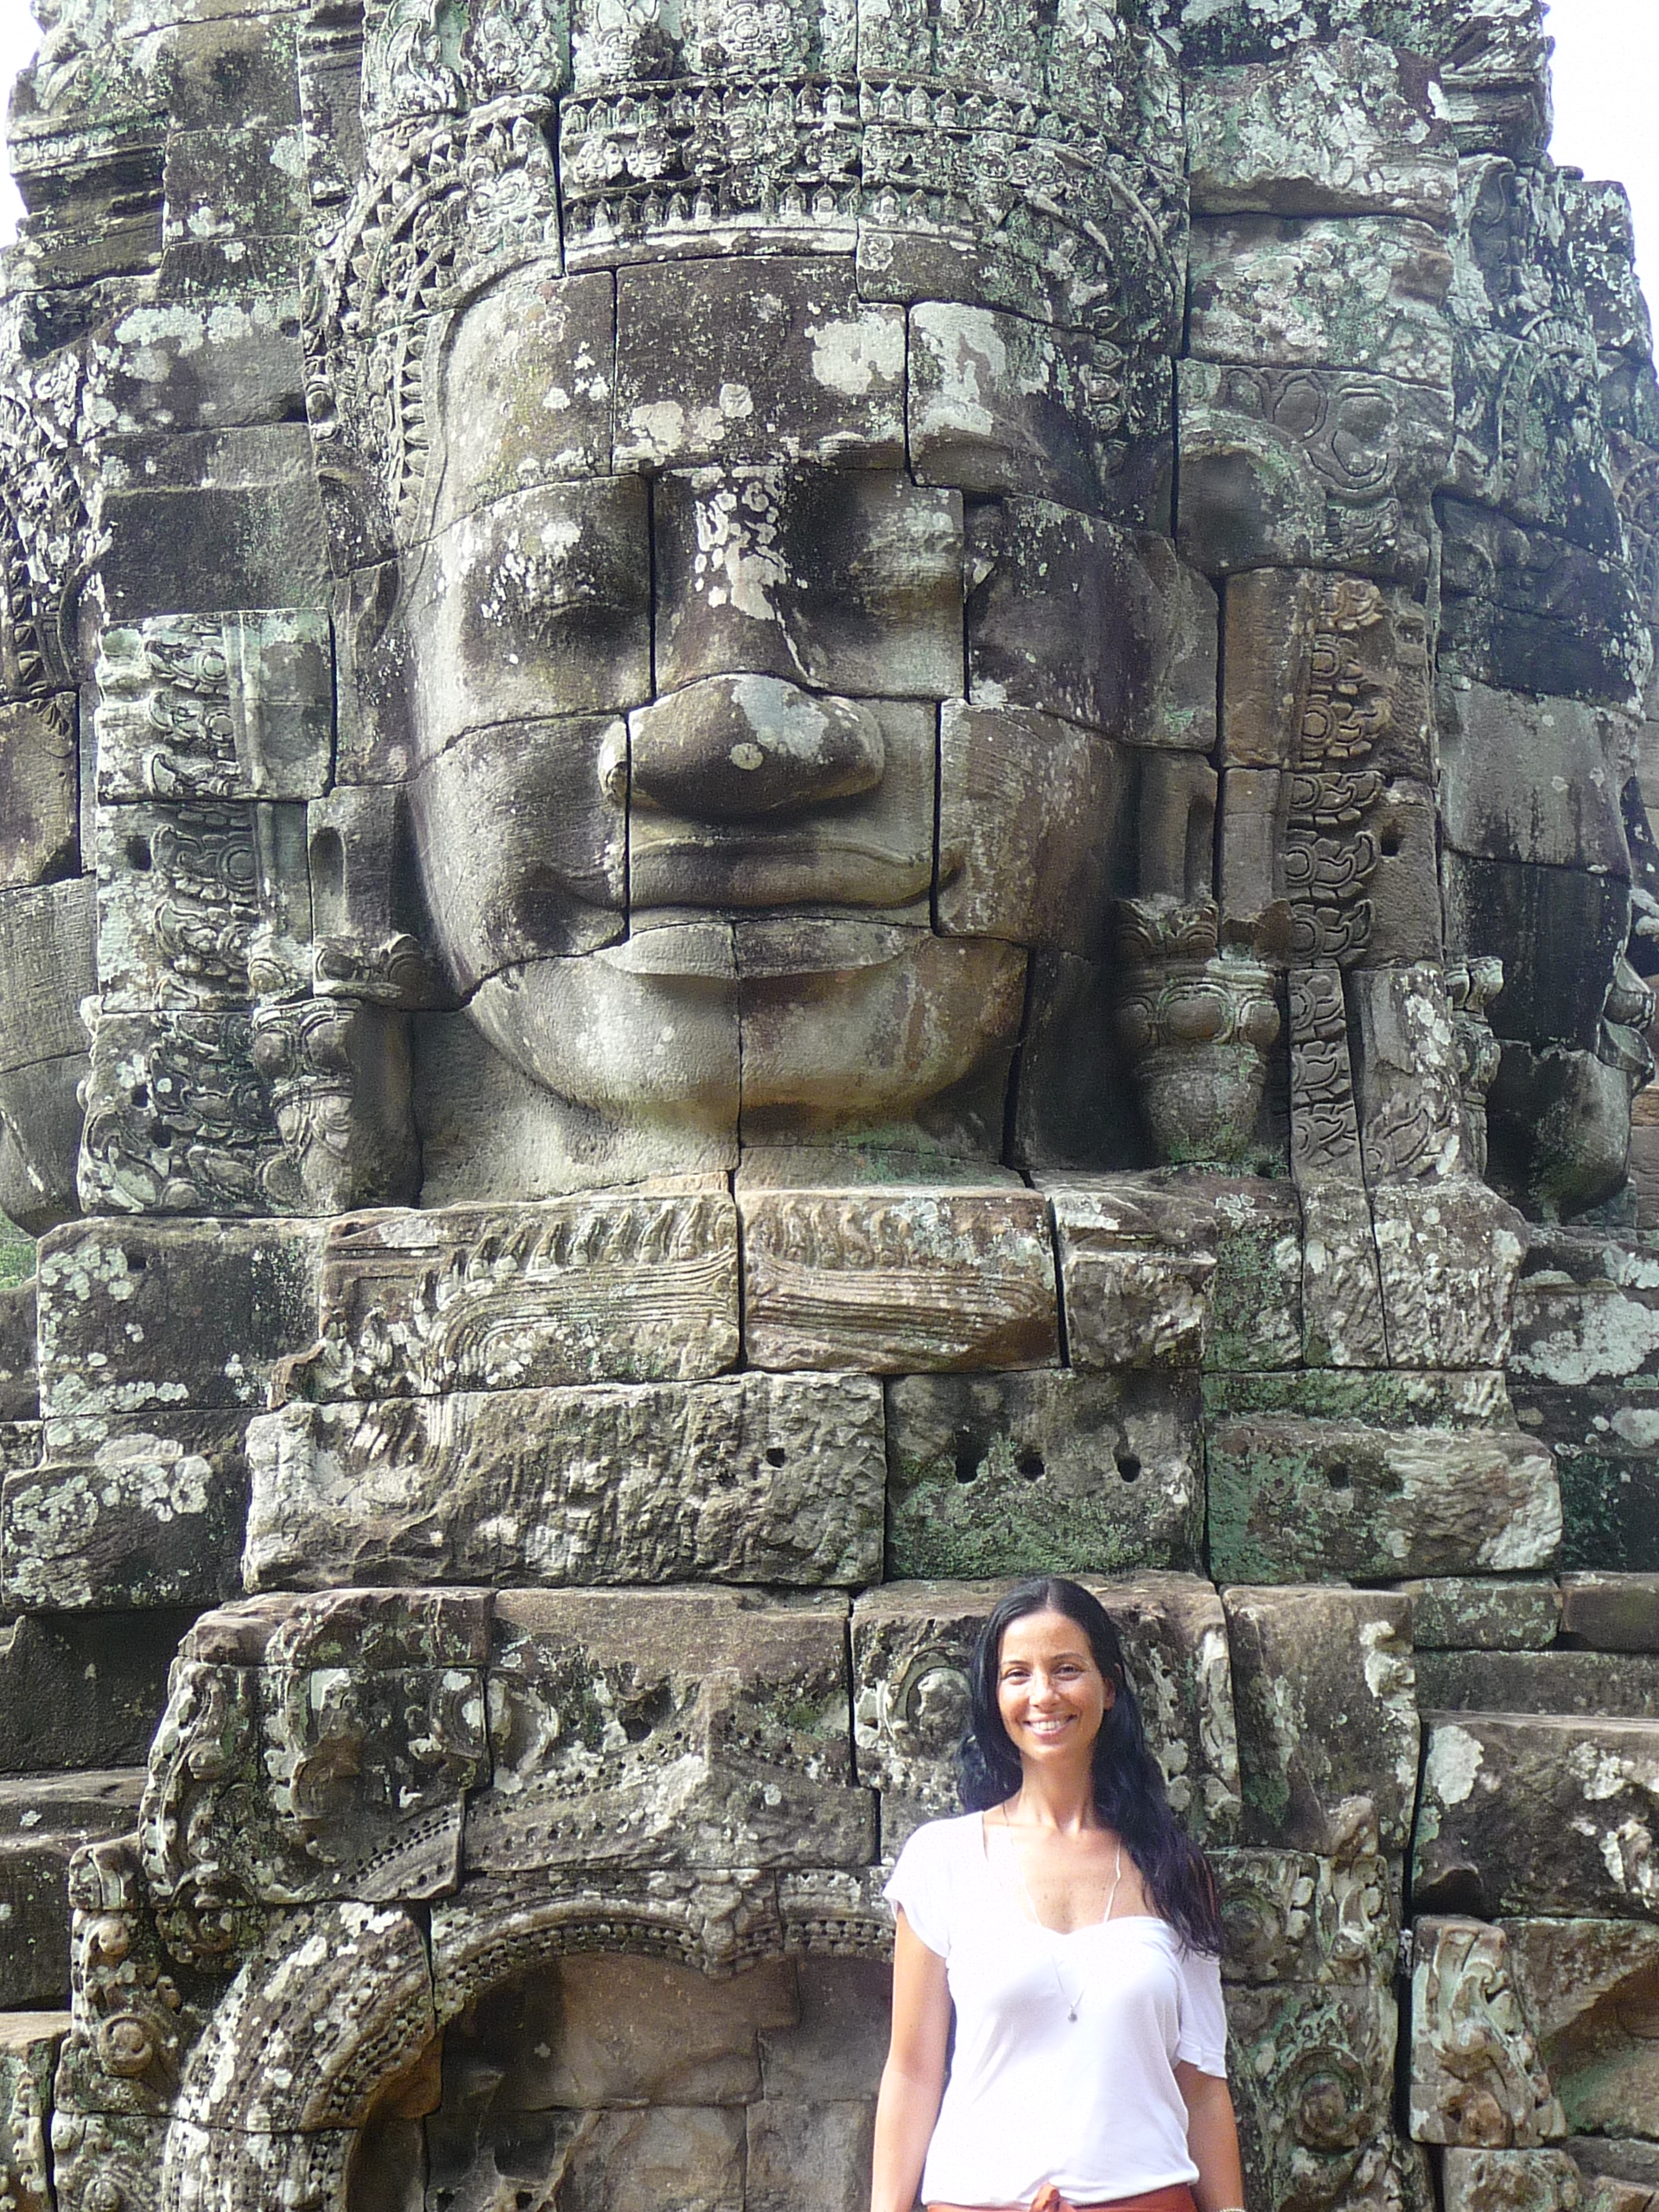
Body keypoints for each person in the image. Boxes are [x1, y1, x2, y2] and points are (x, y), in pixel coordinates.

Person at [872, 1577, 1248, 2212]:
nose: (1042, 1694)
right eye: (1017, 1674)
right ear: (995, 1696)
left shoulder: (1173, 1870)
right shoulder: (942, 1860)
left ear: (1109, 1686)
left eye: (1066, 1669)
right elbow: (911, 2071)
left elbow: (1204, 2086)